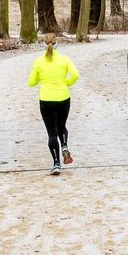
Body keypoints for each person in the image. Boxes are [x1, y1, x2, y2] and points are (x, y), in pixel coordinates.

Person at [27, 33, 80, 175]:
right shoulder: (65, 59)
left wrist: (42, 79)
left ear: (44, 45)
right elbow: (75, 75)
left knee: (51, 133)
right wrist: (66, 83)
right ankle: (64, 145)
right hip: (63, 97)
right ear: (57, 44)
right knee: (61, 126)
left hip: (46, 99)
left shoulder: (38, 61)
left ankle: (56, 163)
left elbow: (31, 82)